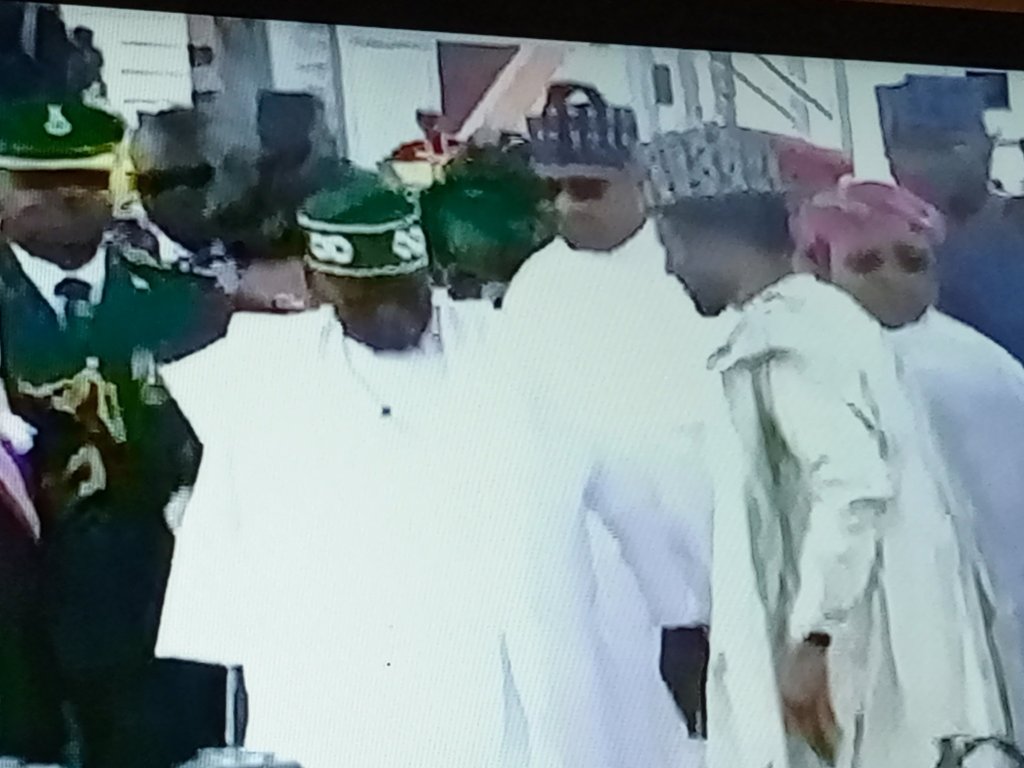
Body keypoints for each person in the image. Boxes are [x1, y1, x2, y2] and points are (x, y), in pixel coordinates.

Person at [156, 168, 654, 768]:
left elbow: (625, 487)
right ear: (316, 285)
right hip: (346, 689)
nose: (391, 311)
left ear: (429, 273)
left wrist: (676, 614)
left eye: (404, 290)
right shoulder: (264, 372)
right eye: (365, 296)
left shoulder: (516, 350)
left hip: (501, 685)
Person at [648, 122, 1010, 768]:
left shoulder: (787, 340)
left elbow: (854, 489)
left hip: (860, 681)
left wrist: (811, 643)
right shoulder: (823, 322)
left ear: (701, 235)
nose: (671, 268)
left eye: (669, 245)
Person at [0, 98, 224, 768]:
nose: (67, 196)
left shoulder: (189, 306)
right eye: (37, 181)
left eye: (87, 178)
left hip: (154, 614)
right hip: (15, 626)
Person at [496, 82, 719, 742]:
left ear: (637, 181)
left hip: (700, 539)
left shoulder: (688, 268)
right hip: (591, 561)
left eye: (587, 188)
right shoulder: (534, 287)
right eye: (552, 191)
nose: (567, 206)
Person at [790, 177, 1024, 747]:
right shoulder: (819, 365)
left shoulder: (986, 369)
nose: (893, 277)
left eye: (912, 261)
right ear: (821, 272)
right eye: (866, 262)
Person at [878, 75, 1024, 364]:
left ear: (986, 148)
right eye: (916, 147)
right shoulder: (883, 244)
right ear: (892, 161)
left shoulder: (1016, 222)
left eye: (951, 146)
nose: (931, 164)